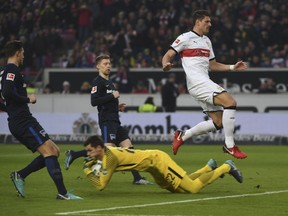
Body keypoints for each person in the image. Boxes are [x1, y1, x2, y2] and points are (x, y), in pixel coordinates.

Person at [0, 40, 82, 200]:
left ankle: (20, 175)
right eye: (22, 53)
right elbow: (8, 92)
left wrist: (10, 109)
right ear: (17, 53)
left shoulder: (4, 72)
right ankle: (63, 193)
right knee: (50, 152)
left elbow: (4, 96)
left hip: (20, 119)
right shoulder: (12, 70)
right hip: (22, 120)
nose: (24, 56)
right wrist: (27, 99)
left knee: (54, 151)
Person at [162, 10, 247, 159]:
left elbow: (213, 65)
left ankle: (183, 135)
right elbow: (168, 54)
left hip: (201, 83)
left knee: (219, 122)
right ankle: (230, 146)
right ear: (198, 22)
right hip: (198, 82)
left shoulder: (207, 41)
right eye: (207, 21)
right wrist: (166, 65)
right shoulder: (185, 37)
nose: (210, 24)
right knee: (230, 102)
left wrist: (233, 67)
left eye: (210, 21)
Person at [64, 54, 152, 185]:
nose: (108, 65)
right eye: (105, 63)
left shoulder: (109, 82)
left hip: (115, 120)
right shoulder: (97, 82)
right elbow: (94, 102)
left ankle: (137, 178)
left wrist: (117, 107)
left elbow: (107, 102)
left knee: (129, 148)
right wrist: (112, 96)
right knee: (106, 151)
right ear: (98, 66)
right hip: (107, 121)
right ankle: (75, 155)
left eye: (109, 63)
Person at [83, 135, 243, 193]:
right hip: (153, 169)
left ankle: (226, 167)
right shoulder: (106, 153)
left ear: (99, 148)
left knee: (192, 188)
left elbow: (101, 185)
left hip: (158, 160)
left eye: (90, 151)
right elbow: (102, 166)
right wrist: (93, 162)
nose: (88, 154)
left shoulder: (110, 158)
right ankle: (208, 168)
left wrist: (87, 170)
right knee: (179, 190)